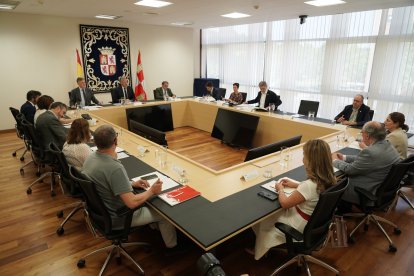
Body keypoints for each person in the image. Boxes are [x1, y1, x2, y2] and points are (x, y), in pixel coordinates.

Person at [82, 125, 182, 254]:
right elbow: (131, 203)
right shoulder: (114, 167)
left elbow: (106, 181)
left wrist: (131, 184)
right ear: (115, 141)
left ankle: (154, 226)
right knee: (165, 215)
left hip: (100, 213)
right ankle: (173, 248)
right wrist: (152, 191)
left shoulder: (90, 158)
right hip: (119, 217)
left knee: (149, 202)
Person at [250, 139, 336, 260]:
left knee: (265, 221)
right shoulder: (329, 177)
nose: (302, 159)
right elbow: (314, 189)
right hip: (316, 224)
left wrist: (280, 189)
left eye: (304, 155)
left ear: (311, 160)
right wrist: (297, 185)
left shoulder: (308, 185)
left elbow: (285, 203)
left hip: (300, 226)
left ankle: (259, 251)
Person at [332, 121, 400, 207]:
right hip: (383, 189)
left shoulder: (370, 152)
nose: (362, 135)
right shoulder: (387, 144)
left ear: (367, 135)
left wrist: (334, 160)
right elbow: (367, 160)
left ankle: (337, 210)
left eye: (362, 133)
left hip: (365, 190)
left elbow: (350, 170)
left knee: (331, 183)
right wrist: (344, 157)